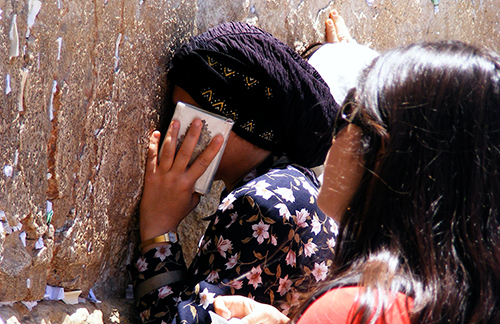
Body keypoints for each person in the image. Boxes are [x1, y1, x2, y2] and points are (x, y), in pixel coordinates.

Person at [213, 40, 500, 324]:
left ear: (383, 151)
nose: (333, 135)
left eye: (348, 112)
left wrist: (165, 233)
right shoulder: (470, 302)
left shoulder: (356, 310)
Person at [131, 21, 342, 324]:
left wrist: (158, 229)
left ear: (235, 119)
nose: (172, 133)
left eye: (185, 115)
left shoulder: (260, 203)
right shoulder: (291, 184)